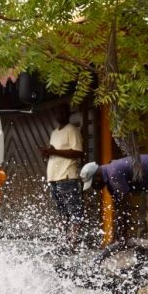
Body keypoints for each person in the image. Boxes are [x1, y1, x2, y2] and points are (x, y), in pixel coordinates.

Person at [79, 154, 148, 246]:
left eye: (92, 183)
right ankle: (143, 255)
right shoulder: (109, 178)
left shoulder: (113, 174)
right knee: (142, 221)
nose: (93, 187)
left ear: (97, 176)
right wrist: (117, 235)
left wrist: (120, 235)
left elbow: (124, 207)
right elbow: (118, 209)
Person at [38, 103, 85, 250]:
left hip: (67, 176)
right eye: (57, 112)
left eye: (62, 112)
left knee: (74, 210)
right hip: (53, 177)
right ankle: (62, 242)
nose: (60, 115)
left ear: (68, 113)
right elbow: (56, 152)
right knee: (61, 211)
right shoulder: (54, 133)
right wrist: (48, 152)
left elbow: (77, 152)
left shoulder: (72, 130)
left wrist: (54, 152)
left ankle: (73, 242)